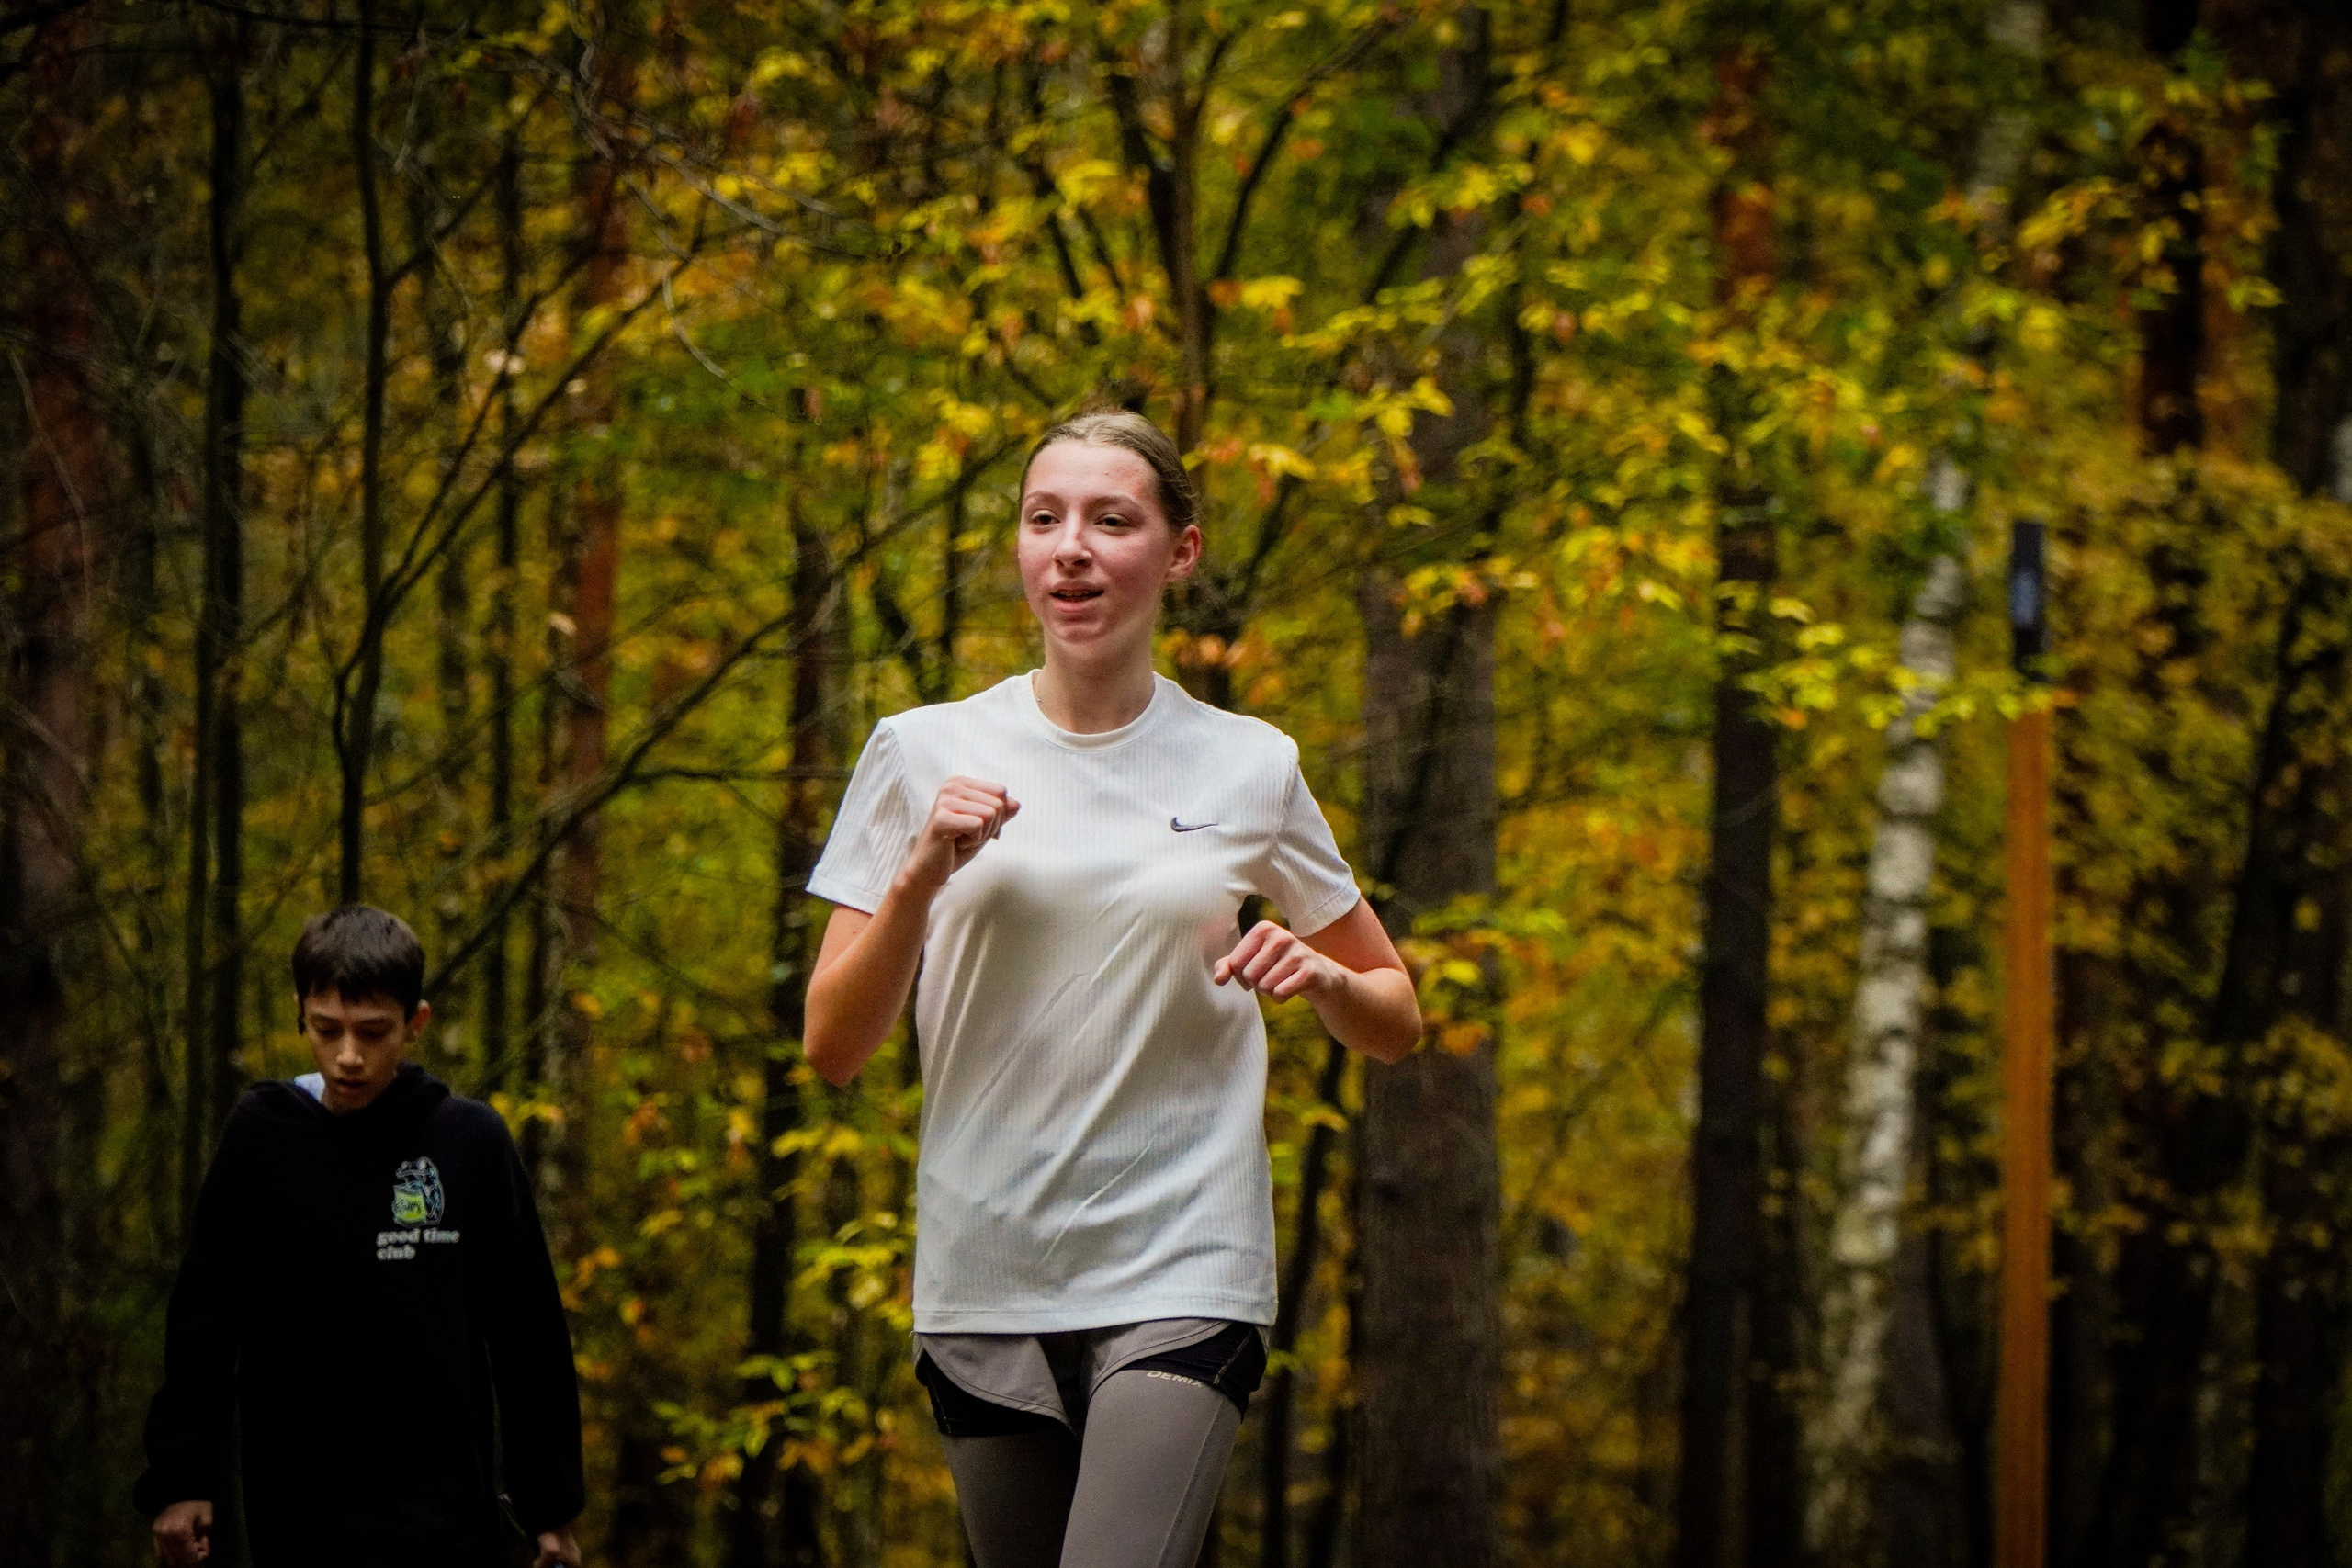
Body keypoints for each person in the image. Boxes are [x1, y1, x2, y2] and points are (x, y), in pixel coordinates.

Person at [803, 409, 1423, 1568]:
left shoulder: (1250, 763)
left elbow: (1395, 1014)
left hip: (1182, 1262)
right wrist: (919, 878)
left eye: (1110, 520)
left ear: (1179, 553)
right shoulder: (919, 751)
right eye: (1045, 520)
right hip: (985, 1268)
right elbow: (834, 1047)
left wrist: (1325, 977)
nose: (1070, 547)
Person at [135, 906, 584, 1568]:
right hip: (298, 1512)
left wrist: (550, 1510)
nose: (349, 1056)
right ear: (301, 1015)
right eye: (328, 1030)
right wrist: (181, 1479)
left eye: (373, 1032)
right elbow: (204, 1317)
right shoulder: (262, 1137)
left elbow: (527, 1333)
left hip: (446, 1518)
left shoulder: (469, 1143)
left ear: (415, 1023)